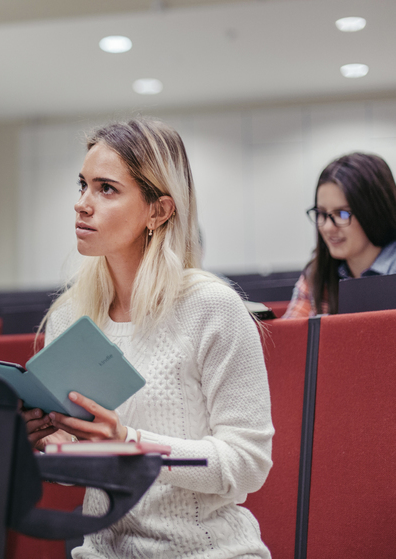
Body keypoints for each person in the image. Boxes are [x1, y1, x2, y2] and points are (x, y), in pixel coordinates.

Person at [22, 118, 274, 558]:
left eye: (106, 189)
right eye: (82, 185)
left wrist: (129, 442)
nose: (82, 203)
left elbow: (247, 464)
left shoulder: (212, 308)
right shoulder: (70, 318)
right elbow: (82, 469)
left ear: (158, 211)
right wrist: (47, 445)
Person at [283, 153, 396, 318]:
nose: (328, 227)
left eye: (342, 214)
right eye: (321, 213)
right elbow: (292, 337)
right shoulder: (318, 272)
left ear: (374, 212)